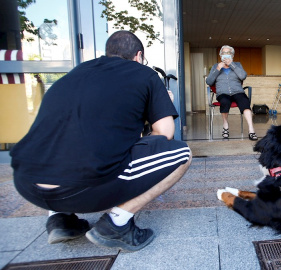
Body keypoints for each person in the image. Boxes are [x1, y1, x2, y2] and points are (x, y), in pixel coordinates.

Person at [10, 30, 192, 252]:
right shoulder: (143, 73)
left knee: (70, 142)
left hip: (26, 182)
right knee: (181, 153)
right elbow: (165, 133)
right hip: (82, 188)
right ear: (138, 55)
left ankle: (61, 220)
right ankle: (117, 224)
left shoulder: (77, 72)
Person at [206, 45, 258, 140]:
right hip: (223, 93)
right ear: (220, 55)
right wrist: (218, 69)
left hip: (238, 91)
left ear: (232, 56)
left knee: (244, 102)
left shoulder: (237, 65)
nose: (226, 55)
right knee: (225, 102)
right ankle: (225, 125)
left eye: (228, 53)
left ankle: (251, 129)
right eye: (224, 53)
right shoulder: (215, 66)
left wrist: (232, 65)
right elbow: (209, 82)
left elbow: (243, 76)